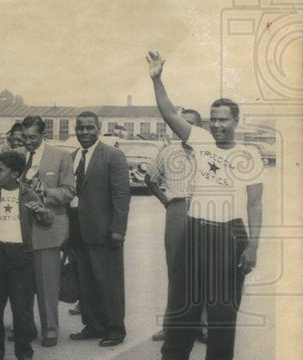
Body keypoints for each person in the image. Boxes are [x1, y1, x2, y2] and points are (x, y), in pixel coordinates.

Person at [144, 52, 263, 360]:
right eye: (214, 119)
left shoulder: (249, 155)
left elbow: (255, 204)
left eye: (224, 119)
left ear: (236, 121)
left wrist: (252, 247)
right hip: (196, 229)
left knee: (223, 305)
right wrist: (157, 79)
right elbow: (169, 113)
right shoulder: (200, 140)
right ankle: (174, 359)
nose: (218, 125)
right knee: (183, 299)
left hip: (230, 233)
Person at [0, 150, 53, 360]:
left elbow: (47, 220)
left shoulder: (28, 194)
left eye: (1, 170)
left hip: (21, 256)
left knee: (22, 308)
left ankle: (25, 353)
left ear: (15, 173)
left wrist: (41, 212)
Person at [67, 112, 131, 347]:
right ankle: (93, 325)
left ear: (99, 128)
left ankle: (115, 329)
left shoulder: (113, 155)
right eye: (80, 128)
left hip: (103, 231)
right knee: (85, 280)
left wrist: (118, 230)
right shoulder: (72, 157)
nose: (84, 132)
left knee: (109, 282)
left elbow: (121, 196)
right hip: (77, 230)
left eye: (90, 128)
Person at [144, 108, 205, 343]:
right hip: (177, 208)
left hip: (204, 210)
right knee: (176, 270)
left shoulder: (208, 152)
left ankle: (203, 326)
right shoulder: (168, 151)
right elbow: (150, 178)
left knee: (203, 268)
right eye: (182, 123)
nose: (185, 127)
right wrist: (165, 201)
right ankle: (171, 325)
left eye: (191, 124)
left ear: (199, 128)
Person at [20, 115, 76, 347]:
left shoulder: (60, 156)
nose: (28, 142)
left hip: (48, 228)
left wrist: (45, 192)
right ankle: (25, 327)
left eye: (32, 137)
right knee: (22, 284)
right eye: (24, 138)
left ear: (43, 135)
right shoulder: (18, 156)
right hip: (19, 229)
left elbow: (69, 191)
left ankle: (50, 330)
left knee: (46, 284)